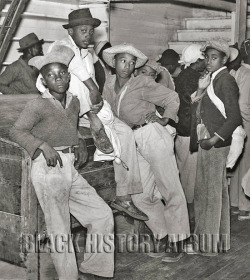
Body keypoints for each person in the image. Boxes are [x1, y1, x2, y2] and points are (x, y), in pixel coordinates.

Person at [9, 45, 114, 280]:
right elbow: (16, 132)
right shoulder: (37, 104)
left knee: (101, 214)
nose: (57, 78)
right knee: (60, 230)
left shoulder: (74, 101)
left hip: (69, 166)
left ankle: (95, 267)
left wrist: (77, 142)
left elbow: (66, 127)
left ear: (68, 76)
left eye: (61, 73)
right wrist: (42, 146)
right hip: (48, 169)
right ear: (43, 81)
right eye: (50, 75)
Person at [36, 8, 148, 221]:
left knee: (125, 133)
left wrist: (96, 102)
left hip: (91, 110)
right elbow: (45, 84)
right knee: (108, 135)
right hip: (70, 112)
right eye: (83, 30)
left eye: (90, 31)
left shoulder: (88, 54)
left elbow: (93, 82)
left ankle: (124, 196)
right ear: (71, 31)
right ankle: (121, 196)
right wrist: (85, 105)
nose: (88, 34)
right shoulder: (61, 47)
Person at [102, 43, 190, 263]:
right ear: (113, 62)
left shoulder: (141, 82)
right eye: (123, 60)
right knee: (139, 196)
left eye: (132, 62)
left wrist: (164, 119)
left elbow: (172, 98)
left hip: (152, 135)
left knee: (170, 188)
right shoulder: (109, 83)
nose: (128, 66)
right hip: (131, 141)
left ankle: (178, 242)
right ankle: (163, 234)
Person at [188, 39, 242, 255]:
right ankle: (218, 242)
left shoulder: (225, 80)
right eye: (207, 57)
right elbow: (198, 110)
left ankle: (206, 245)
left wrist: (214, 139)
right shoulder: (211, 80)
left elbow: (234, 117)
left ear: (224, 59)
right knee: (214, 193)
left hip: (215, 144)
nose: (209, 62)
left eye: (214, 58)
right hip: (207, 141)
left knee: (209, 195)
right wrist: (200, 90)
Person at [174, 44, 206, 205]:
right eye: (204, 58)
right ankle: (189, 210)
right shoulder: (192, 78)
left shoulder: (184, 75)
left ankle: (188, 207)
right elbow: (197, 102)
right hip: (190, 131)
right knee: (190, 176)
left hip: (184, 130)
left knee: (186, 172)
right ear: (197, 61)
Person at [229, 39, 250, 220]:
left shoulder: (237, 71)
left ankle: (235, 204)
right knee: (246, 164)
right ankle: (244, 207)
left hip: (235, 123)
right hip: (246, 123)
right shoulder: (247, 74)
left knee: (238, 162)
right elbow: (243, 105)